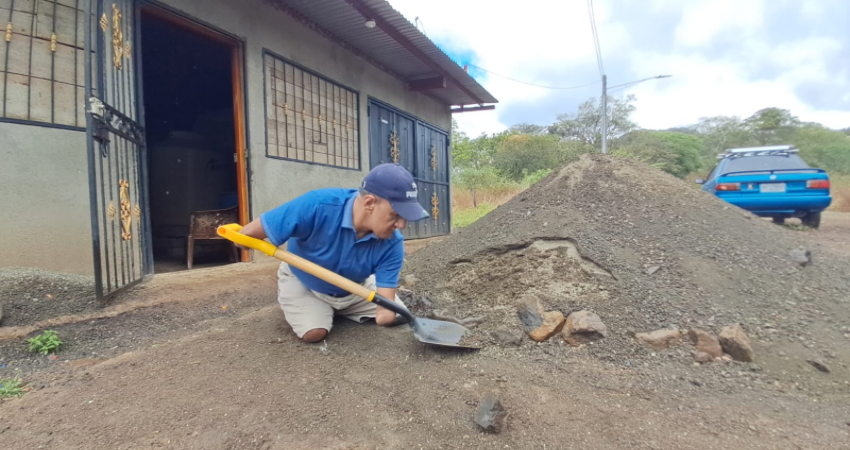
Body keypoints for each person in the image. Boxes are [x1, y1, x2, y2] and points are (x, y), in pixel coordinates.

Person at [238, 163, 429, 343]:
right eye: (396, 215)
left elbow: (385, 305)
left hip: (355, 288)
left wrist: (385, 315)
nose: (402, 225)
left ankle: (338, 309)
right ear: (370, 202)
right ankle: (303, 303)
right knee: (314, 333)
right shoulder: (317, 205)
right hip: (305, 284)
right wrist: (240, 241)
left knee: (396, 315)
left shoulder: (393, 243)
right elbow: (244, 236)